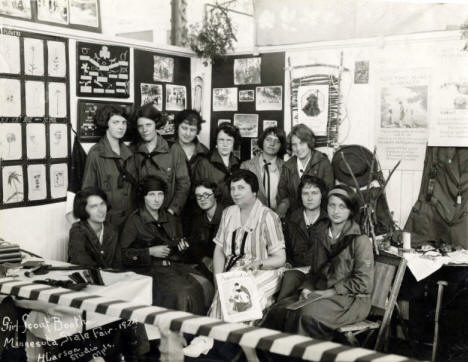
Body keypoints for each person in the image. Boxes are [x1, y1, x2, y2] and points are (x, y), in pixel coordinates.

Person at [184, 170, 286, 358]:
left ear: (254, 191)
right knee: (226, 288)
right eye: (233, 188)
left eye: (241, 188)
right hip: (237, 269)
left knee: (243, 293)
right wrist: (218, 278)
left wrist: (258, 263)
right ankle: (205, 339)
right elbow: (219, 250)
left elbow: (279, 258)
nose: (236, 193)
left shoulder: (268, 216)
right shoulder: (229, 213)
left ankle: (240, 348)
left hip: (266, 269)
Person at [265, 185, 374, 341]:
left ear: (351, 210)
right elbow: (314, 271)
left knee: (305, 315)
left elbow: (364, 283)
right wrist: (307, 288)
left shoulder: (360, 240)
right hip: (321, 292)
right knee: (279, 310)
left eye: (342, 206)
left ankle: (304, 356)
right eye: (332, 205)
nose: (336, 211)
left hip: (350, 300)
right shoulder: (321, 234)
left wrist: (328, 292)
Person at [120, 175, 210, 314]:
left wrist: (181, 248)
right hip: (151, 271)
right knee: (184, 294)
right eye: (152, 194)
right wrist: (149, 251)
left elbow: (180, 249)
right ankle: (182, 334)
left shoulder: (170, 218)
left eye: (160, 194)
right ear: (143, 196)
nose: (157, 199)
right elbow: (122, 255)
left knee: (206, 284)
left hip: (175, 267)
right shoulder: (134, 221)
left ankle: (203, 332)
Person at [128, 103, 190, 216]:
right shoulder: (133, 151)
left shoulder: (173, 149)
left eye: (148, 125)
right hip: (142, 217)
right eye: (140, 126)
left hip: (167, 214)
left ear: (156, 124)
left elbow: (184, 184)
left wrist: (172, 210)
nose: (144, 130)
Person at [82, 104, 133, 228]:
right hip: (106, 221)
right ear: (106, 124)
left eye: (124, 122)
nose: (121, 127)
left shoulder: (129, 153)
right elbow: (88, 191)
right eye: (116, 122)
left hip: (130, 220)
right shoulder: (96, 153)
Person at [276, 124, 334, 219]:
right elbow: (282, 195)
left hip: (319, 219)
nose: (298, 148)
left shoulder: (323, 162)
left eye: (302, 143)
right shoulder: (287, 166)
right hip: (294, 219)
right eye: (294, 145)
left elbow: (329, 194)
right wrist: (284, 203)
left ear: (309, 143)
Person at [170, 109, 210, 231]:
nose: (187, 133)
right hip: (171, 207)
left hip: (197, 211)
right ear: (177, 127)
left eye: (192, 130)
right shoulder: (167, 148)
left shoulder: (204, 152)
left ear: (197, 131)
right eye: (184, 128)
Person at [68, 187, 121, 269]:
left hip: (112, 278)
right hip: (88, 278)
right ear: (83, 209)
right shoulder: (77, 230)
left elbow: (118, 262)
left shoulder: (112, 229)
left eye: (102, 204)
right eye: (93, 206)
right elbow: (80, 261)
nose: (101, 210)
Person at [193, 122, 241, 205]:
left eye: (229, 140)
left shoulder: (239, 164)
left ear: (234, 143)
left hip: (233, 212)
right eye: (221, 140)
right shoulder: (204, 163)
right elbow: (197, 194)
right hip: (211, 212)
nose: (225, 144)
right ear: (216, 142)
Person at [285, 175, 328, 267]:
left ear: (322, 195)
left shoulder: (329, 220)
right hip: (296, 270)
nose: (309, 198)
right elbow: (286, 250)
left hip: (322, 272)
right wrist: (288, 263)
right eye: (305, 193)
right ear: (300, 196)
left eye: (314, 193)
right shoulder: (291, 220)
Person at [240, 126, 286, 210]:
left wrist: (285, 204)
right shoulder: (246, 166)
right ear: (262, 141)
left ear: (281, 146)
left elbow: (291, 193)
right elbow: (241, 194)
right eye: (268, 139)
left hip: (278, 217)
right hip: (253, 216)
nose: (272, 144)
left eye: (277, 141)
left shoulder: (286, 167)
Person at [187, 180, 226, 276]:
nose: (202, 199)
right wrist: (205, 259)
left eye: (206, 194)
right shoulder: (197, 220)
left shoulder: (228, 215)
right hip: (207, 266)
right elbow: (195, 248)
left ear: (215, 195)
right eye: (198, 196)